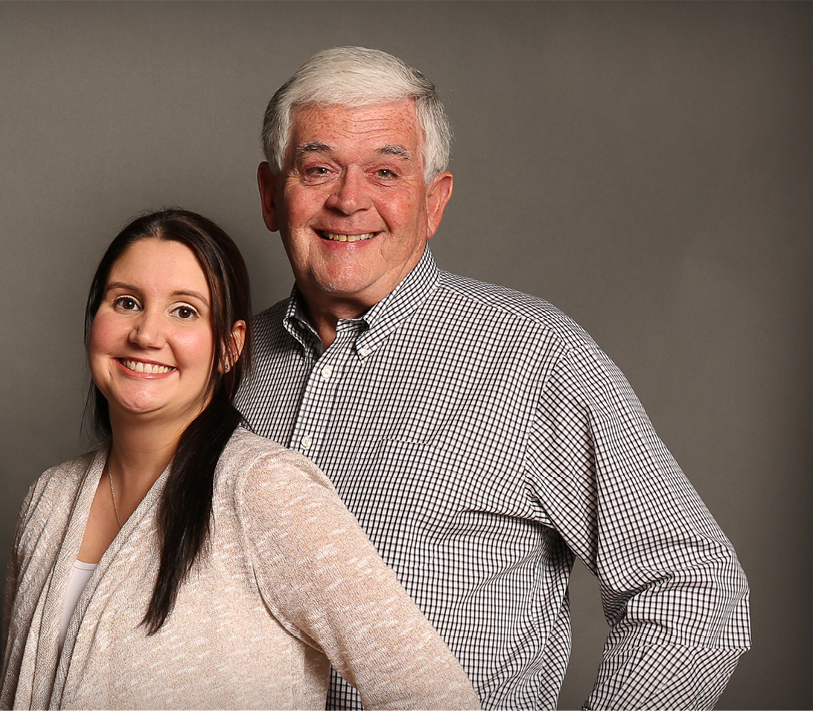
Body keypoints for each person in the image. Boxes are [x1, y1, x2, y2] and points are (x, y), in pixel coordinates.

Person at [239, 46, 750, 709]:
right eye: (318, 169)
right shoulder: (221, 363)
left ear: (434, 201)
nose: (349, 199)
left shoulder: (533, 355)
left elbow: (694, 585)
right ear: (271, 196)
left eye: (386, 171)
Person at [0, 210, 478, 710]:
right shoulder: (49, 498)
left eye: (184, 311)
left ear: (229, 347)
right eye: (126, 302)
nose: (145, 333)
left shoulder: (265, 491)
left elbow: (433, 696)